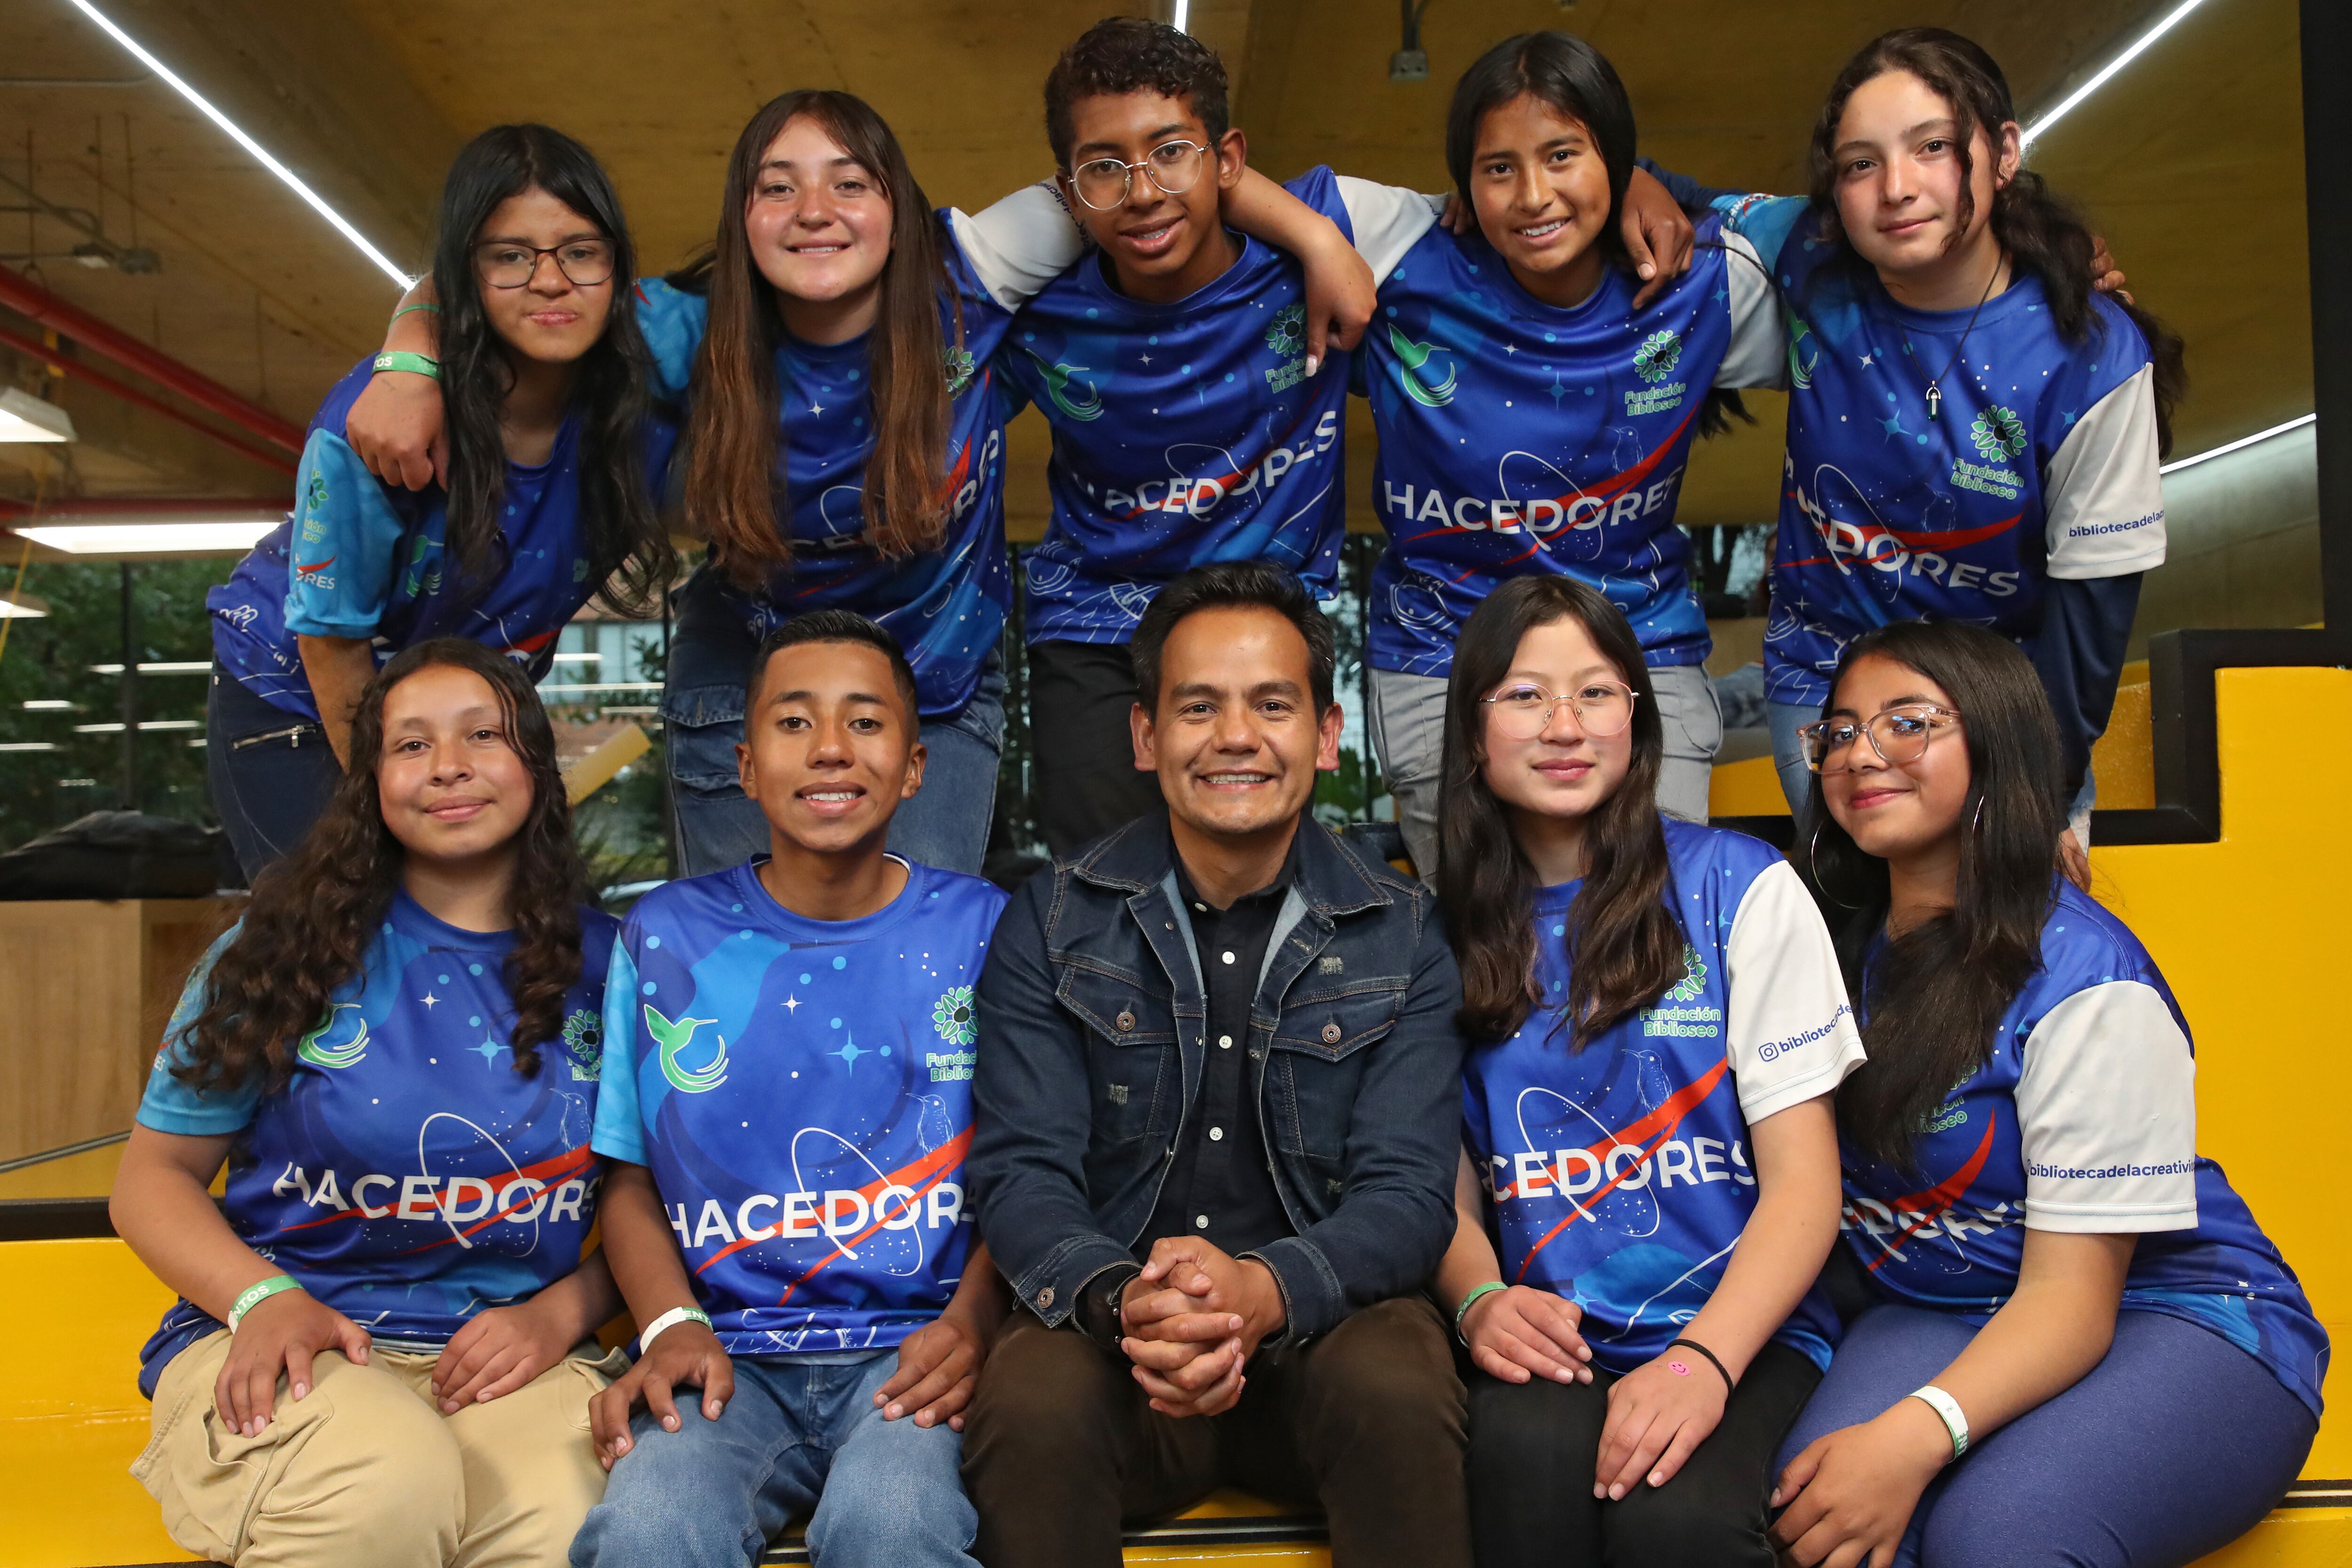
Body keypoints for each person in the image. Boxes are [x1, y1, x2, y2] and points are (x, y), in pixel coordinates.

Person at [351, 80, 1375, 878]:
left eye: (849, 182)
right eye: (777, 186)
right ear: (742, 215)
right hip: (748, 668)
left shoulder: (978, 274)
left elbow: (1153, 172)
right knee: (739, 959)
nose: (814, 212)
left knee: (916, 967)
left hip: (934, 677)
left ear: (900, 208)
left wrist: (1318, 237)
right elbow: (502, 266)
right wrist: (409, 354)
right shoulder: (684, 330)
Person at [1013, 19, 1701, 856]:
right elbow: (937, 258)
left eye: (1170, 153)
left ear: (1227, 161)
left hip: (1272, 619)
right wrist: (1315, 236)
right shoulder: (1039, 305)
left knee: (1257, 887)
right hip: (1097, 628)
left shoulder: (1325, 254)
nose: (1145, 189)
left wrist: (1639, 181)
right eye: (1104, 169)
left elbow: (1551, 185)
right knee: (1105, 891)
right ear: (1068, 186)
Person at [1767, 620, 2324, 1568]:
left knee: (2002, 1532)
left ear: (1996, 744)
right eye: (1841, 730)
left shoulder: (2082, 978)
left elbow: (2072, 1298)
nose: (1862, 753)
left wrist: (1914, 1434)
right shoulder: (1817, 941)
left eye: (1908, 723)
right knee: (1823, 1515)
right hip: (1939, 1303)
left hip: (2173, 1310)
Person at [961, 562, 1473, 1568]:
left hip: (1323, 1334)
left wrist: (1263, 1289)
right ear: (1146, 737)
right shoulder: (1052, 918)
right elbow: (1021, 1173)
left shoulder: (1403, 929)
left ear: (1326, 737)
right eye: (1199, 705)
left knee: (1401, 1383)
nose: (1236, 735)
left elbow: (1410, 1194)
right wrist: (1126, 1300)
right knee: (1029, 1400)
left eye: (1271, 704)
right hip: (1117, 1339)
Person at [112, 638, 626, 1568]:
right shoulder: (276, 947)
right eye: (412, 744)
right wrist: (262, 1299)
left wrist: (562, 1312)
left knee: (570, 1523)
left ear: (537, 769)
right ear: (372, 780)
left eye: (483, 736)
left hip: (504, 1354)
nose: (450, 767)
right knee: (391, 1478)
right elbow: (151, 1180)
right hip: (285, 1330)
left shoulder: (623, 967)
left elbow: (666, 1200)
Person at [1426, 576, 1863, 1565]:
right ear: (1472, 734)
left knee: (1674, 1519)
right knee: (1522, 1462)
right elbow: (1439, 1189)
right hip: (1553, 1337)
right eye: (1525, 695)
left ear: (1636, 711)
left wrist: (1703, 1360)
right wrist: (1479, 1299)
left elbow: (1805, 1182)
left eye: (1595, 690)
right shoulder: (1435, 935)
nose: (1564, 723)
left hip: (1740, 1329)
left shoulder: (1741, 887)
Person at [1664, 29, 2182, 847]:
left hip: (2012, 700)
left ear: (2003, 153)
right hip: (1829, 679)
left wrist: (2036, 797)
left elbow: (2089, 631)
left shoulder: (2095, 358)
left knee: (2000, 947)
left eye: (1933, 147)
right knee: (1872, 940)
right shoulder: (1810, 250)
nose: (1896, 188)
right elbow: (1657, 192)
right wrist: (1630, 188)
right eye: (1861, 164)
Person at [569, 611, 1010, 1568]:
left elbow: (1029, 1168)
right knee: (647, 1526)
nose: (829, 750)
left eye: (864, 721)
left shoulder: (987, 930)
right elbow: (630, 1176)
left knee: (892, 1523)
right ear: (744, 763)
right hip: (727, 1356)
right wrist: (671, 1323)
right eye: (794, 721)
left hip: (912, 1349)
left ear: (915, 765)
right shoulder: (667, 935)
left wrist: (971, 1325)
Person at [1328, 32, 1789, 868]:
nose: (1534, 195)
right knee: (1484, 969)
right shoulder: (1403, 251)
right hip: (1445, 664)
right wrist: (1324, 244)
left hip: (1640, 655)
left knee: (1655, 951)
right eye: (1498, 167)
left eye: (1565, 156)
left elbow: (1873, 225)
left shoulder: (1700, 278)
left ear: (1613, 156)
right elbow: (1205, 180)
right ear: (1463, 182)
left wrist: (2049, 252)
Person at [206, 124, 674, 880]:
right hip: (302, 693)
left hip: (470, 706)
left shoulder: (652, 387)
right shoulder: (377, 425)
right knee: (349, 942)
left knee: (508, 936)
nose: (551, 281)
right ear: (469, 275)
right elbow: (331, 643)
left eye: (581, 251)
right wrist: (385, 819)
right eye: (510, 256)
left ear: (618, 269)